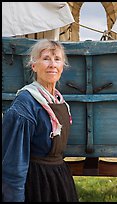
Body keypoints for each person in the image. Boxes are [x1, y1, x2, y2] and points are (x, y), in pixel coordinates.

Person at [2, 39, 79, 202]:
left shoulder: (59, 101)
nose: (52, 64)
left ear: (62, 67)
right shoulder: (25, 104)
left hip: (59, 179)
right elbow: (14, 162)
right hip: (36, 184)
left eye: (57, 59)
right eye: (46, 58)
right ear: (34, 66)